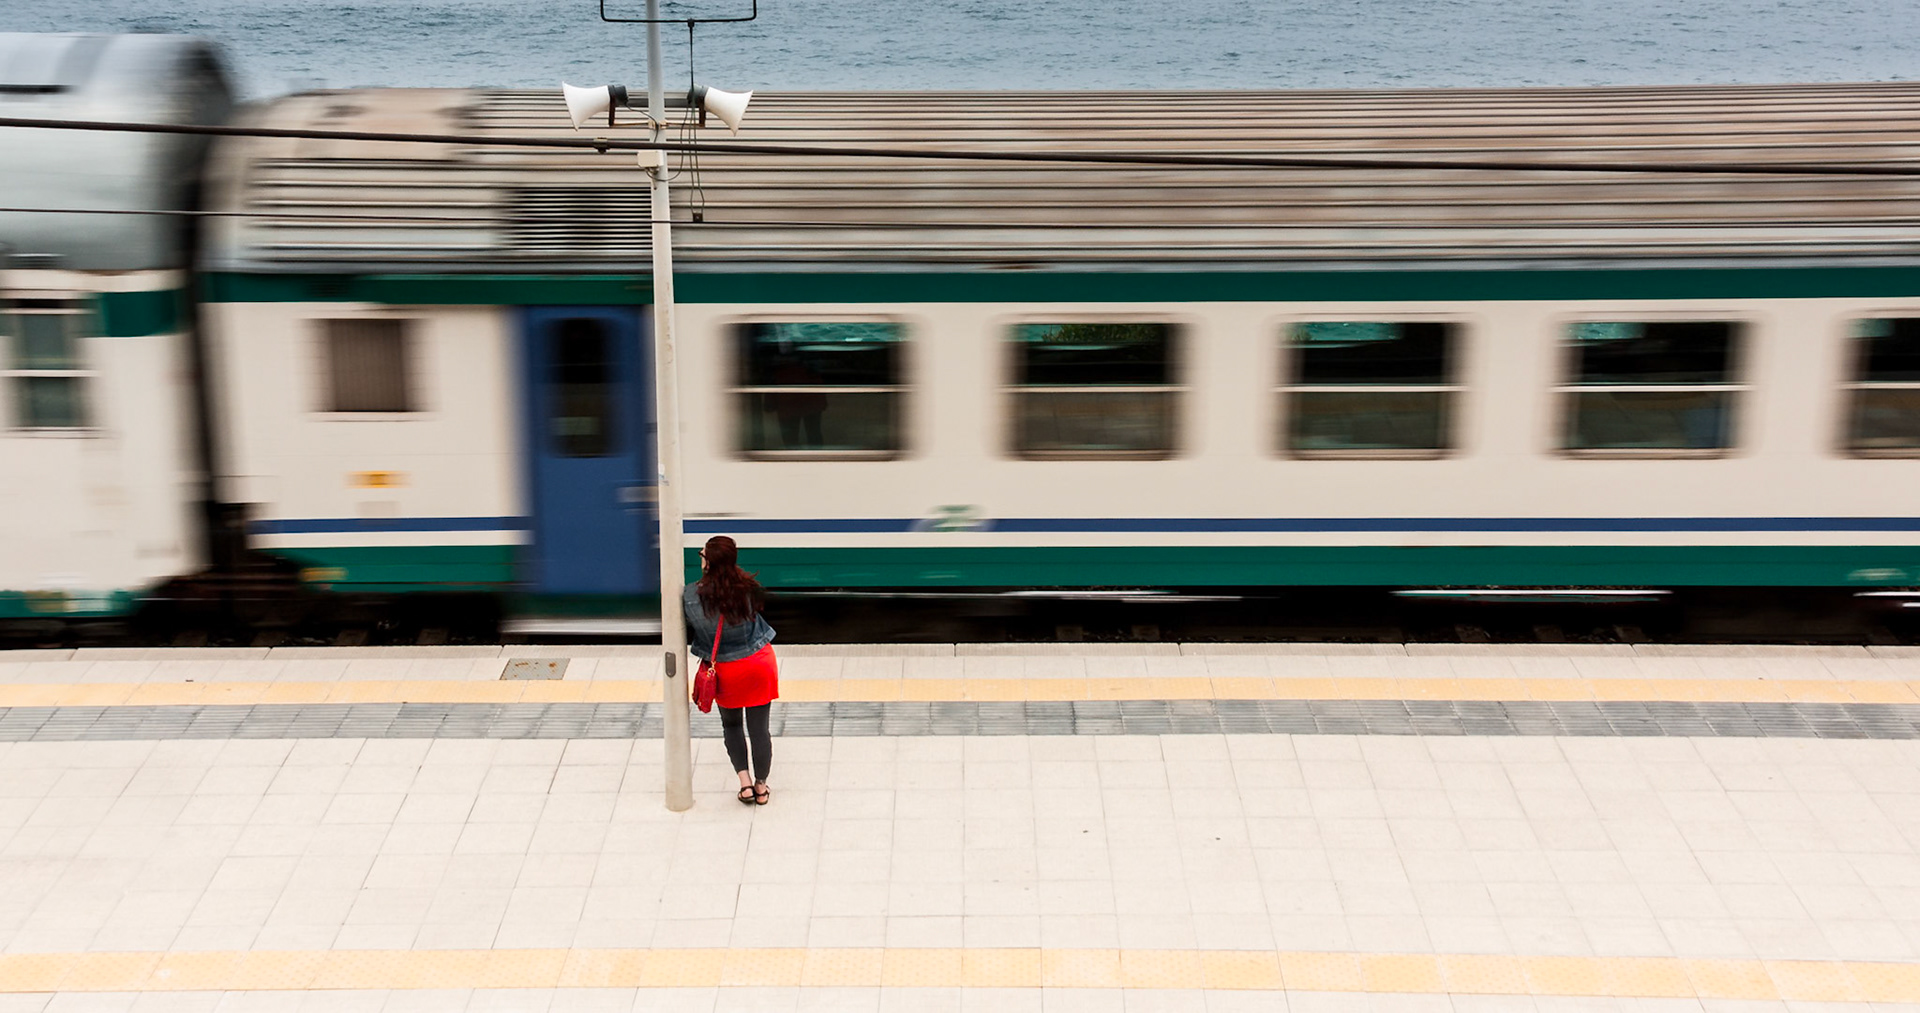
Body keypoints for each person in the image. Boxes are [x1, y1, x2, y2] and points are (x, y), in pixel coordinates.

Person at [685, 535, 779, 804]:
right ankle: (762, 786)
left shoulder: (691, 596)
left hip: (725, 671)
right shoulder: (748, 588)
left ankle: (745, 784)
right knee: (760, 729)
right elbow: (757, 624)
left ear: (708, 563)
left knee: (732, 725)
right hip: (758, 664)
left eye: (701, 555)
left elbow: (699, 634)